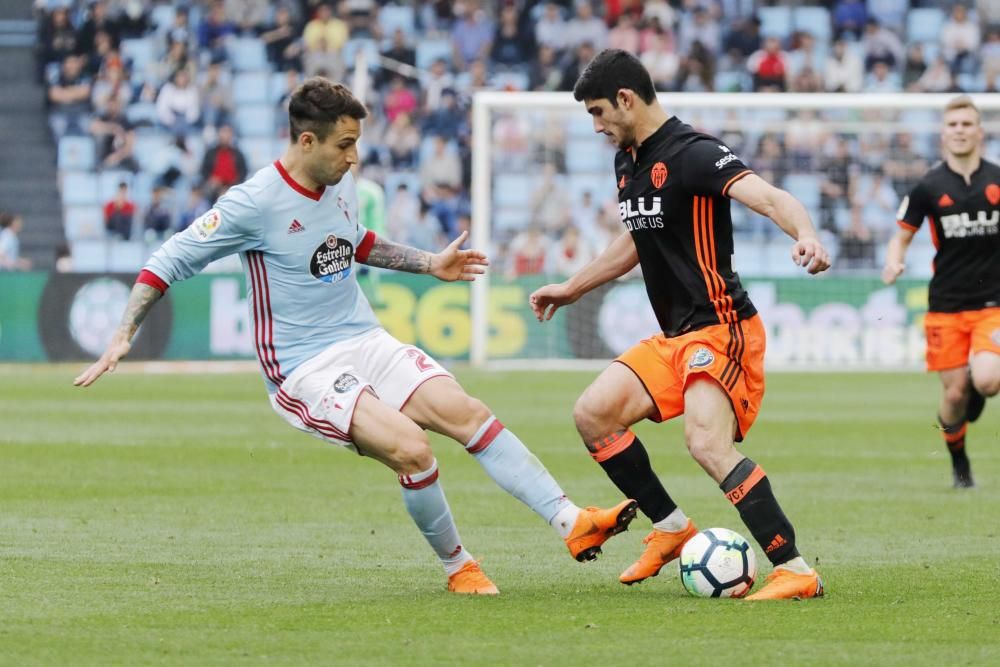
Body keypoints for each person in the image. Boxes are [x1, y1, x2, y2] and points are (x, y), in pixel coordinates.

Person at [74, 77, 637, 595]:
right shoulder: (253, 202)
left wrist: (428, 264)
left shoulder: (337, 180)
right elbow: (168, 258)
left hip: (365, 338)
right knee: (412, 449)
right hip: (305, 368)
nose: (354, 156)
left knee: (465, 411)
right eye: (344, 144)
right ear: (305, 140)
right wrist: (123, 334)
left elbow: (357, 240)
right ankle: (458, 566)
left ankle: (572, 522)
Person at [530, 50, 831, 601]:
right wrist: (572, 287)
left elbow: (767, 196)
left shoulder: (694, 154)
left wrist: (804, 233)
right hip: (676, 338)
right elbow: (636, 240)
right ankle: (671, 529)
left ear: (626, 99)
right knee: (593, 415)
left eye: (598, 112)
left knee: (706, 444)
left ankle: (794, 568)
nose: (595, 126)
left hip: (721, 326)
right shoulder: (628, 160)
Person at [882, 95, 1000, 489]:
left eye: (967, 124)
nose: (960, 131)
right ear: (943, 134)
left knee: (987, 380)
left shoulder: (997, 179)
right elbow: (901, 236)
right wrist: (894, 260)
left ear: (979, 132)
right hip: (946, 305)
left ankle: (977, 382)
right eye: (953, 125)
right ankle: (960, 466)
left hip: (992, 304)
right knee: (953, 396)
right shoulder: (928, 187)